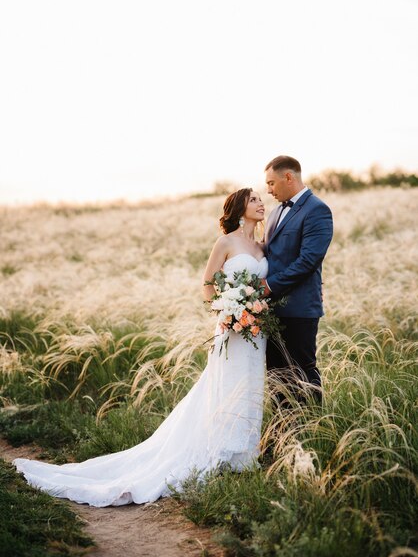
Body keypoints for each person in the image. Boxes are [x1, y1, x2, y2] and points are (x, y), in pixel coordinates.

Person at [13, 189, 268, 507]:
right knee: (226, 385)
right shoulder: (227, 242)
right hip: (231, 329)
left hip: (257, 332)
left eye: (261, 198)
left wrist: (252, 307)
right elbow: (207, 285)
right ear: (240, 208)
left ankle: (242, 458)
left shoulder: (261, 245)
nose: (260, 203)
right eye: (254, 199)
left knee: (249, 386)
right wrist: (228, 309)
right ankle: (218, 452)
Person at [261, 155, 333, 405]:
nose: (268, 190)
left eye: (271, 183)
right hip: (269, 309)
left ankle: (314, 429)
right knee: (276, 375)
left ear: (288, 177)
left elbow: (308, 260)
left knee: (303, 372)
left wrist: (269, 286)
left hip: (300, 307)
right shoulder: (275, 213)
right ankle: (283, 434)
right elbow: (269, 254)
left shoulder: (317, 210)